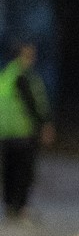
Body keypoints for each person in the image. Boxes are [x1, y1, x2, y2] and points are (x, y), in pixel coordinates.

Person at [0, 41, 53, 221]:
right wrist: (44, 125)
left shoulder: (6, 75)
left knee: (9, 172)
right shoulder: (24, 76)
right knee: (23, 172)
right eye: (29, 54)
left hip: (6, 133)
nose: (32, 58)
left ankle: (10, 207)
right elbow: (32, 104)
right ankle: (21, 208)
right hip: (23, 131)